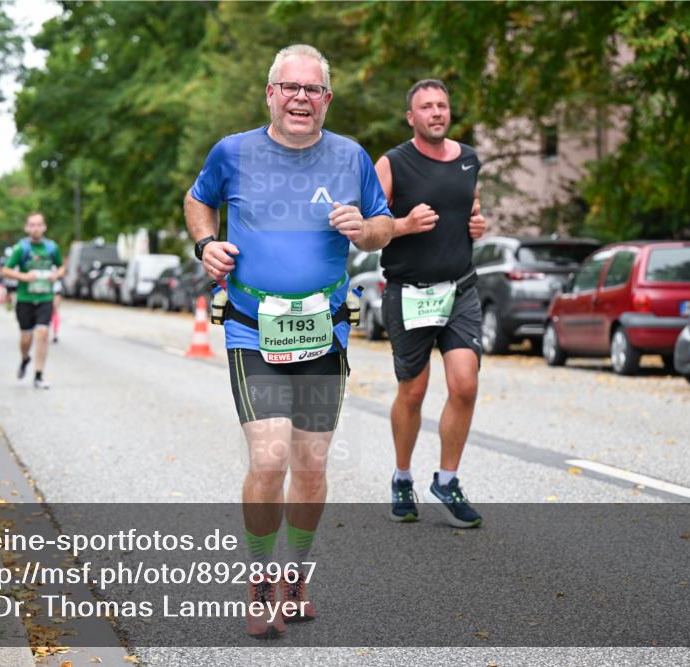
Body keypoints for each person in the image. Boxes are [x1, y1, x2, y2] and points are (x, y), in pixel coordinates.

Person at [184, 44, 393, 638]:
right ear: (271, 93)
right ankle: (259, 579)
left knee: (311, 461)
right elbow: (199, 200)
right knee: (270, 455)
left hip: (325, 328)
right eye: (291, 87)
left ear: (327, 99)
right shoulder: (233, 151)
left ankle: (296, 573)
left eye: (314, 90)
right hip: (253, 325)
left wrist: (366, 228)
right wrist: (206, 245)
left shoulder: (351, 157)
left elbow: (381, 225)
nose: (302, 98)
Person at [374, 78, 488, 527]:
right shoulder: (393, 163)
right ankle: (403, 476)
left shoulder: (469, 159)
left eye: (442, 105)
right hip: (409, 292)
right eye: (426, 107)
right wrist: (403, 224)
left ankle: (447, 479)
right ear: (411, 117)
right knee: (414, 391)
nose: (436, 112)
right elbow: (370, 227)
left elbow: (471, 206)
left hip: (459, 287)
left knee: (465, 385)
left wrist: (478, 224)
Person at [2, 213, 65, 389]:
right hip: (25, 298)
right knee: (25, 339)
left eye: (39, 225)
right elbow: (6, 270)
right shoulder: (21, 248)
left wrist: (56, 275)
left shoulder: (52, 248)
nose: (36, 228)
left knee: (43, 333)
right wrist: (23, 276)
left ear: (44, 227)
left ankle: (38, 375)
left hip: (45, 297)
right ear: (27, 228)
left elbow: (61, 267)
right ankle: (24, 359)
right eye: (32, 225)